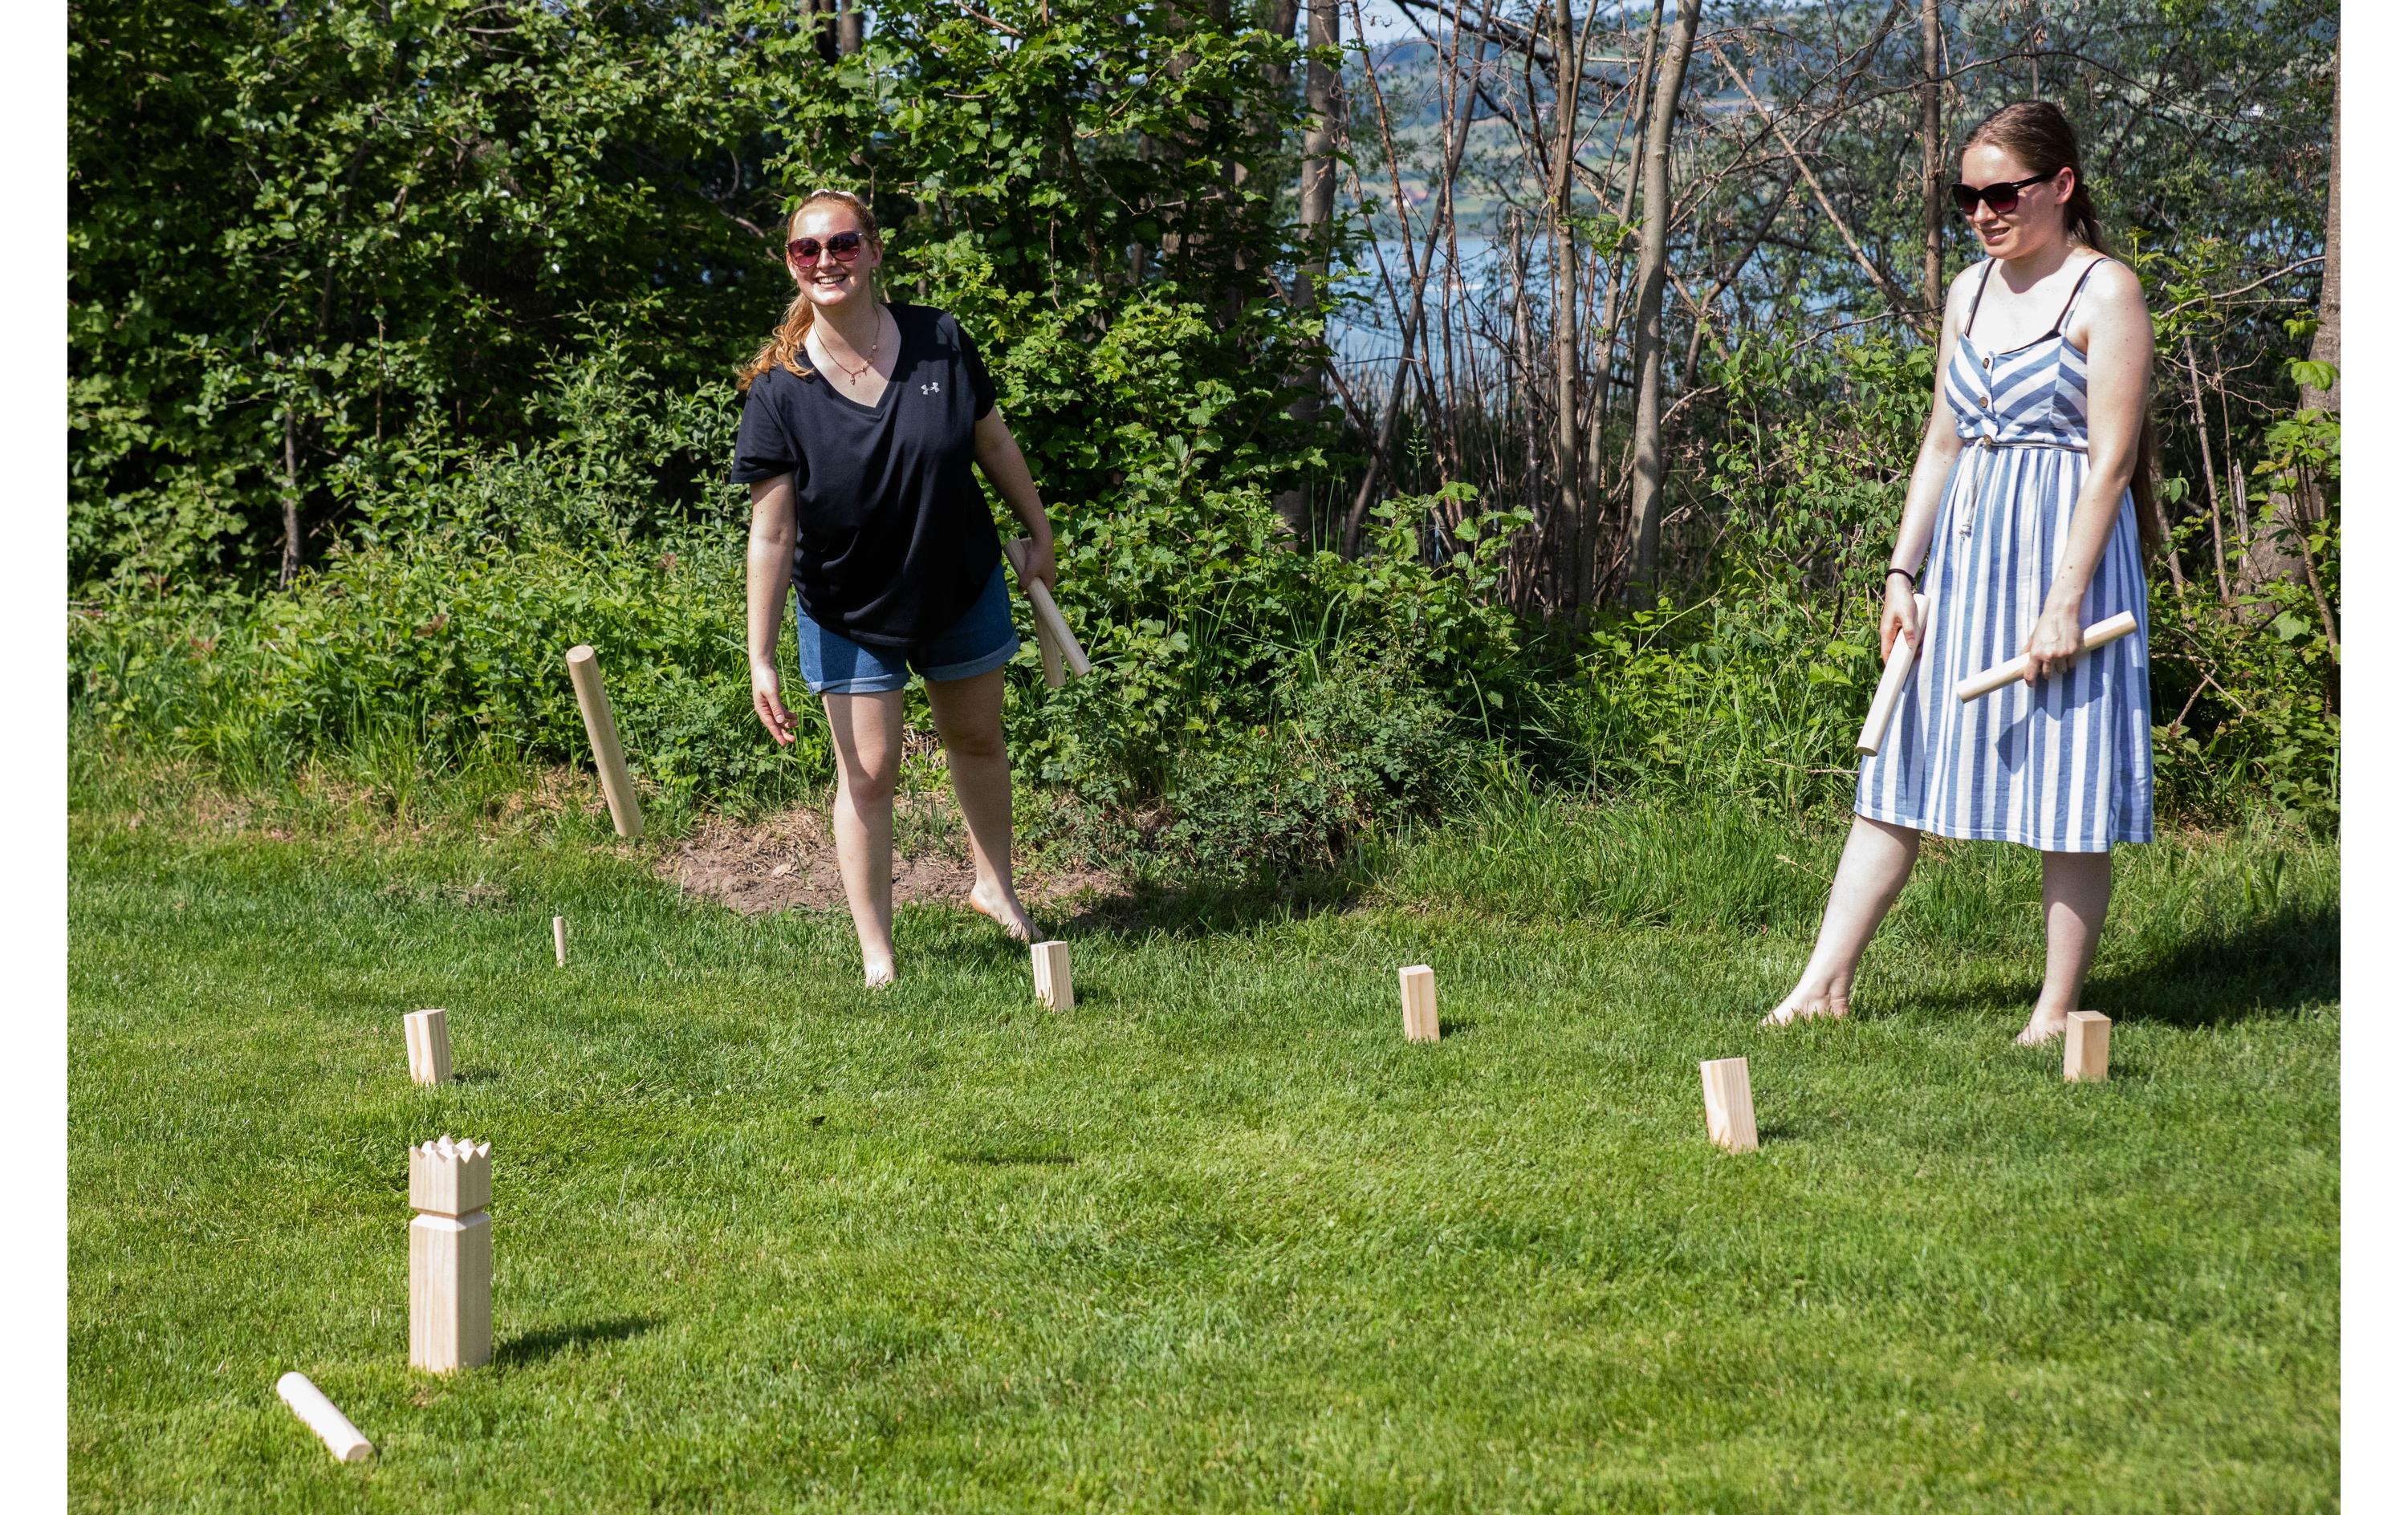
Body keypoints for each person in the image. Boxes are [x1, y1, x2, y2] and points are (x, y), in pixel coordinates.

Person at [1764, 101, 2158, 1045]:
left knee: (2067, 789)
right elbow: (1943, 441)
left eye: (2001, 193)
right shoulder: (1969, 293)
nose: (1981, 212)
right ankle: (1823, 984)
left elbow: (2110, 462)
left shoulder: (2107, 294)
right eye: (1965, 196)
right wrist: (1903, 572)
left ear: (2061, 185)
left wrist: (2065, 602)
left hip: (2070, 564)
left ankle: (2055, 1011)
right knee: (1897, 769)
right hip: (1968, 561)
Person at [734, 189, 1058, 987]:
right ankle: (878, 953)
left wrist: (1038, 530)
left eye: (841, 244)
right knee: (870, 771)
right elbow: (773, 534)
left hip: (958, 578)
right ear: (792, 264)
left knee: (979, 739)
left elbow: (991, 437)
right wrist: (761, 655)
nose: (826, 262)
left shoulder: (939, 339)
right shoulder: (782, 388)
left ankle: (995, 886)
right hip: (849, 604)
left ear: (875, 251)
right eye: (807, 251)